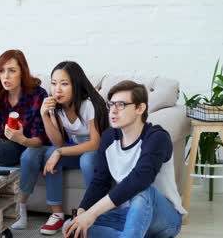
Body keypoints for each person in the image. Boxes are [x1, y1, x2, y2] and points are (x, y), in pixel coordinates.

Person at [63, 80, 186, 238]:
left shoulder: (157, 137)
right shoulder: (109, 138)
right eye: (111, 104)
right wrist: (81, 214)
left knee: (143, 192)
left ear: (139, 108)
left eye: (120, 105)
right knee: (72, 227)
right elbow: (100, 181)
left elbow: (141, 179)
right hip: (128, 215)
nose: (113, 111)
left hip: (164, 219)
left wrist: (92, 213)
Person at [12, 61, 109, 234]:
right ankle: (57, 215)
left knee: (85, 159)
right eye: (54, 83)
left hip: (98, 152)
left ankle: (94, 212)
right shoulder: (56, 107)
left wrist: (60, 151)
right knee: (50, 153)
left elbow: (95, 144)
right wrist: (45, 115)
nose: (57, 89)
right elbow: (57, 142)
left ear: (76, 84)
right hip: (76, 149)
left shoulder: (89, 105)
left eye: (64, 84)